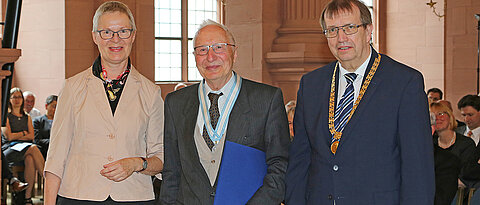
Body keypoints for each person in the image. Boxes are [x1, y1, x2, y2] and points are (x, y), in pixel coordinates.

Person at [285, 0, 435, 204]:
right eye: (332, 30)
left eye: (349, 28)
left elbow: (417, 167)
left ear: (368, 30)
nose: (341, 38)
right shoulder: (311, 84)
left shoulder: (404, 82)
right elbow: (300, 159)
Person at [43, 1, 164, 205]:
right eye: (106, 32)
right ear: (95, 36)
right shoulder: (72, 88)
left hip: (133, 197)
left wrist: (137, 163)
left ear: (133, 35)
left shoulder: (151, 92)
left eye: (123, 31)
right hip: (78, 196)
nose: (115, 39)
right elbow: (56, 157)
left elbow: (160, 157)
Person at [158, 20, 290, 204]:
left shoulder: (266, 99)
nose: (210, 57)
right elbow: (172, 171)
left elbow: (280, 165)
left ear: (234, 54)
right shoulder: (176, 103)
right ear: (194, 57)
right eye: (202, 50)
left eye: (218, 47)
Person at [1, 87, 45, 205]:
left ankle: (27, 198)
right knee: (33, 148)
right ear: (9, 99)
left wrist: (19, 135)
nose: (17, 100)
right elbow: (9, 137)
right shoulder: (6, 116)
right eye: (14, 97)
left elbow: (31, 136)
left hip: (25, 149)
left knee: (30, 159)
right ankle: (47, 179)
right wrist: (23, 133)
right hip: (9, 150)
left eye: (19, 97)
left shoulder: (27, 116)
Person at [430, 102, 476, 204]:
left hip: (460, 196)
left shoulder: (466, 143)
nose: (437, 118)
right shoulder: (429, 145)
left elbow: (466, 174)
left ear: (450, 116)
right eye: (433, 116)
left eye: (441, 114)